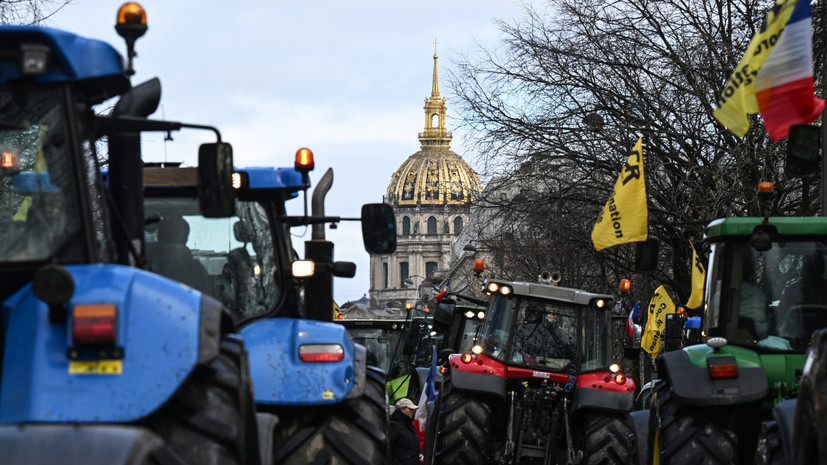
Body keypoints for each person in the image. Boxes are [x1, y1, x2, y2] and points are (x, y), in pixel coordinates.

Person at [389, 398, 424, 465]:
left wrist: (420, 453)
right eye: (410, 409)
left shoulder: (408, 425)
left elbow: (411, 443)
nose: (413, 411)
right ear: (402, 409)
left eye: (413, 410)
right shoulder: (394, 425)